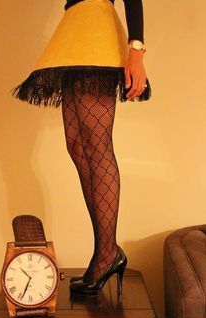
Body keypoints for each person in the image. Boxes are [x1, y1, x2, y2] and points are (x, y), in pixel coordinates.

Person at [12, 0, 151, 296]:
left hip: (97, 29)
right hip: (75, 30)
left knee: (97, 145)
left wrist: (136, 49)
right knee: (76, 144)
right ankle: (106, 250)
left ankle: (106, 255)